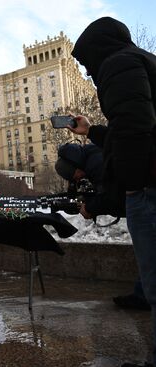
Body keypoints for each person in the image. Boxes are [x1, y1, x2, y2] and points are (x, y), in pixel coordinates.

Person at [69, 17, 156, 367]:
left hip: (148, 191)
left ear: (97, 50)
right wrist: (92, 132)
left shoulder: (118, 64)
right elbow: (133, 130)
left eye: (87, 63)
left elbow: (135, 137)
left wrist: (106, 199)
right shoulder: (142, 60)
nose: (88, 73)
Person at [55, 143, 149, 311]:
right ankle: (143, 294)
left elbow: (111, 196)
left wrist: (90, 208)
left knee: (148, 251)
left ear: (74, 166)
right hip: (144, 200)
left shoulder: (95, 163)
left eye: (74, 175)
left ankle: (144, 297)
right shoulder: (93, 155)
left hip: (144, 202)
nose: (77, 179)